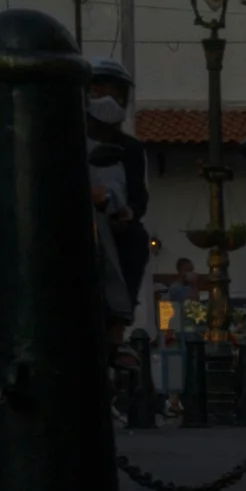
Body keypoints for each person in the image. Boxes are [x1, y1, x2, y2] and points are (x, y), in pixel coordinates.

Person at [85, 55, 149, 329]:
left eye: (116, 92)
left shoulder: (131, 149)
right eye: (99, 89)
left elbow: (139, 196)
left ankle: (117, 329)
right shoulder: (66, 139)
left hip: (114, 227)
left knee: (137, 239)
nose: (108, 97)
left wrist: (128, 213)